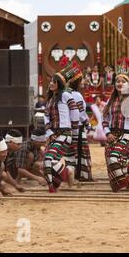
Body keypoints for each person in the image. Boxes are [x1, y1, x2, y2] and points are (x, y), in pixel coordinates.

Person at [102, 64, 129, 192]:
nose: (120, 83)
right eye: (117, 81)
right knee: (109, 159)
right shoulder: (111, 100)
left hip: (127, 134)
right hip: (112, 134)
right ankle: (128, 175)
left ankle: (127, 174)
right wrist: (107, 133)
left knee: (115, 158)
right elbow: (105, 119)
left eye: (123, 81)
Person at [44, 58, 81, 193]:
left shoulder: (66, 96)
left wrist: (74, 131)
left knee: (49, 159)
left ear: (60, 83)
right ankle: (62, 177)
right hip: (54, 134)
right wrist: (49, 133)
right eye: (51, 81)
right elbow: (46, 117)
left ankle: (60, 179)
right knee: (47, 161)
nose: (51, 83)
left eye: (54, 81)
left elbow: (75, 113)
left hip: (65, 133)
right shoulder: (49, 100)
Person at [68, 76, 93, 181]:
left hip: (68, 127)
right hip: (78, 127)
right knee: (81, 151)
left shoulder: (65, 94)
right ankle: (82, 175)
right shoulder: (77, 95)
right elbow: (81, 113)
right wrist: (88, 124)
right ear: (77, 83)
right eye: (81, 80)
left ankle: (72, 175)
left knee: (71, 152)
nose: (83, 82)